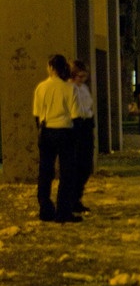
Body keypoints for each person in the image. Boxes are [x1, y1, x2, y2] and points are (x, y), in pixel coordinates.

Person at [33, 54, 83, 223]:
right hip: (65, 131)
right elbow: (76, 116)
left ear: (50, 67)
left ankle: (45, 209)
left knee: (45, 172)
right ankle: (63, 211)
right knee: (67, 173)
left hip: (47, 131)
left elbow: (37, 114)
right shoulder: (70, 89)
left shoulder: (41, 87)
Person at [69, 60, 94, 213]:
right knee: (76, 165)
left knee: (85, 165)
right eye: (80, 76)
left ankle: (77, 196)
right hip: (75, 125)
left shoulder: (83, 88)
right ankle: (73, 199)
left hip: (86, 124)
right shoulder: (69, 88)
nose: (83, 79)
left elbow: (88, 107)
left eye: (85, 77)